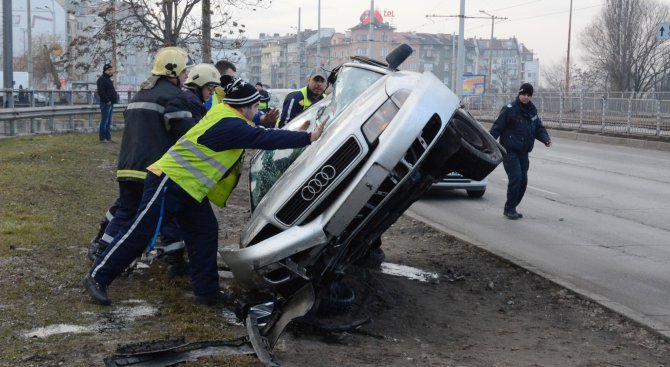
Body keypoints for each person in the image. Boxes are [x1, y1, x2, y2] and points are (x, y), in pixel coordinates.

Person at [84, 78, 325, 306]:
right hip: (170, 181)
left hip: (189, 188)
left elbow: (256, 126)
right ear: (244, 108)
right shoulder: (232, 125)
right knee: (141, 231)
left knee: (205, 232)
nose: (257, 111)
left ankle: (207, 292)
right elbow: (262, 137)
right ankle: (98, 276)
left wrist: (263, 120)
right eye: (255, 107)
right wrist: (309, 137)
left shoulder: (225, 113)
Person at [87, 47, 194, 277]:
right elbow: (186, 135)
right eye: (184, 71)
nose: (186, 76)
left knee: (125, 212)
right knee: (161, 215)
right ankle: (175, 260)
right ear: (172, 71)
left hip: (127, 166)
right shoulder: (175, 97)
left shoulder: (141, 94)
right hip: (153, 169)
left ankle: (103, 253)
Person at [489, 83, 552, 220]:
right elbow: (497, 128)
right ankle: (509, 208)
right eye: (524, 94)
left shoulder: (532, 110)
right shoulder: (509, 109)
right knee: (516, 177)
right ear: (519, 94)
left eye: (529, 95)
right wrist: (489, 143)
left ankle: (512, 206)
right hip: (510, 151)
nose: (526, 97)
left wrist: (545, 139)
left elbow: (538, 127)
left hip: (524, 152)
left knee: (523, 181)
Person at [96, 63, 119, 142]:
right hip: (106, 103)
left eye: (111, 70)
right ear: (105, 70)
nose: (110, 71)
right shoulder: (101, 79)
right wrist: (107, 100)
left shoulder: (108, 79)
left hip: (110, 102)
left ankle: (108, 137)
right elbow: (101, 92)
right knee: (105, 120)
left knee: (109, 121)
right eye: (109, 70)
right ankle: (102, 138)